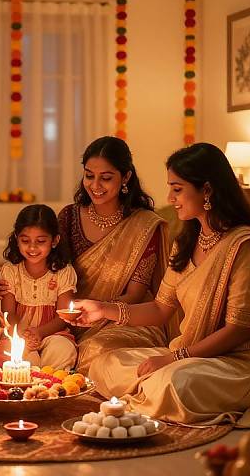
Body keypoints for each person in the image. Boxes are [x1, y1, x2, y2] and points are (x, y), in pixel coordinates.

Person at [73, 142, 250, 425]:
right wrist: (103, 309)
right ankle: (145, 396)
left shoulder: (243, 246)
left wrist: (175, 357)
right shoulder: (187, 243)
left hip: (234, 362)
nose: (170, 198)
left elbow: (238, 330)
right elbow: (161, 309)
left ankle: (144, 395)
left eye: (177, 189)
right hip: (185, 353)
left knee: (174, 384)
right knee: (105, 364)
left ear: (207, 190)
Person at [58, 136, 173, 373]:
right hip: (70, 316)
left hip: (124, 319)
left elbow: (135, 294)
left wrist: (98, 310)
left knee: (95, 350)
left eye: (106, 178)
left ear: (126, 177)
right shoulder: (68, 217)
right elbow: (53, 268)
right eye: (89, 175)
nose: (95, 185)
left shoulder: (144, 225)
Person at [0, 205, 78, 370]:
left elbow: (63, 316)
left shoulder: (64, 272)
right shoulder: (10, 270)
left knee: (62, 349)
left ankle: (46, 379)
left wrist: (39, 333)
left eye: (40, 241)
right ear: (17, 238)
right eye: (25, 241)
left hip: (52, 333)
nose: (32, 248)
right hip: (19, 332)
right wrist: (23, 334)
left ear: (55, 241)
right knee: (10, 350)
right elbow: (9, 314)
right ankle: (32, 376)